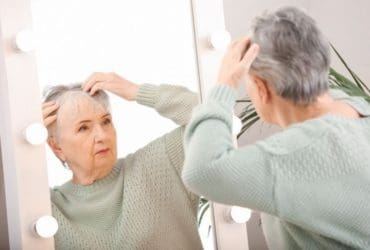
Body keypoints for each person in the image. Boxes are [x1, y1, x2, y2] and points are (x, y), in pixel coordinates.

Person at [182, 6, 370, 250]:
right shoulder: (359, 111)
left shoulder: (299, 153)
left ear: (262, 88)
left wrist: (225, 83)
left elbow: (202, 171)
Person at [42, 72, 202, 249]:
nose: (102, 135)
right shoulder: (49, 208)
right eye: (83, 128)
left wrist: (137, 91)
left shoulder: (157, 165)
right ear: (57, 147)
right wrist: (22, 140)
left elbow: (213, 116)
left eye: (106, 121)